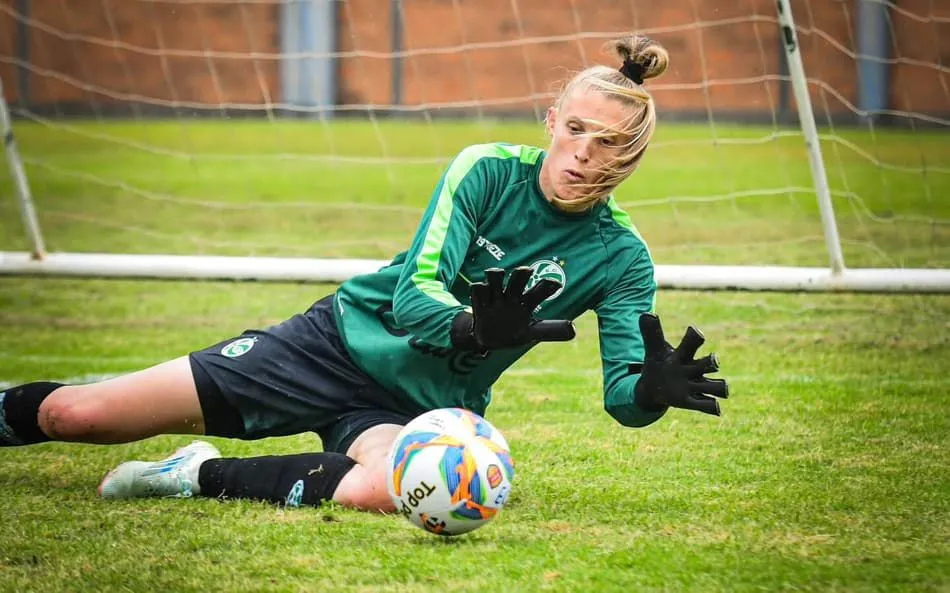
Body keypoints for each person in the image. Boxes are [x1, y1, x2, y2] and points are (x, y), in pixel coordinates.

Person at [0, 34, 728, 512]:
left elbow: (621, 397)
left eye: (609, 143)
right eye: (574, 130)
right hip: (334, 344)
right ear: (550, 120)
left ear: (632, 157)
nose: (583, 154)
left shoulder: (622, 257)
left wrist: (650, 391)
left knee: (386, 489)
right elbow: (414, 294)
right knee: (79, 416)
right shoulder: (485, 171)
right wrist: (474, 327)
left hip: (420, 404)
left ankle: (193, 473)